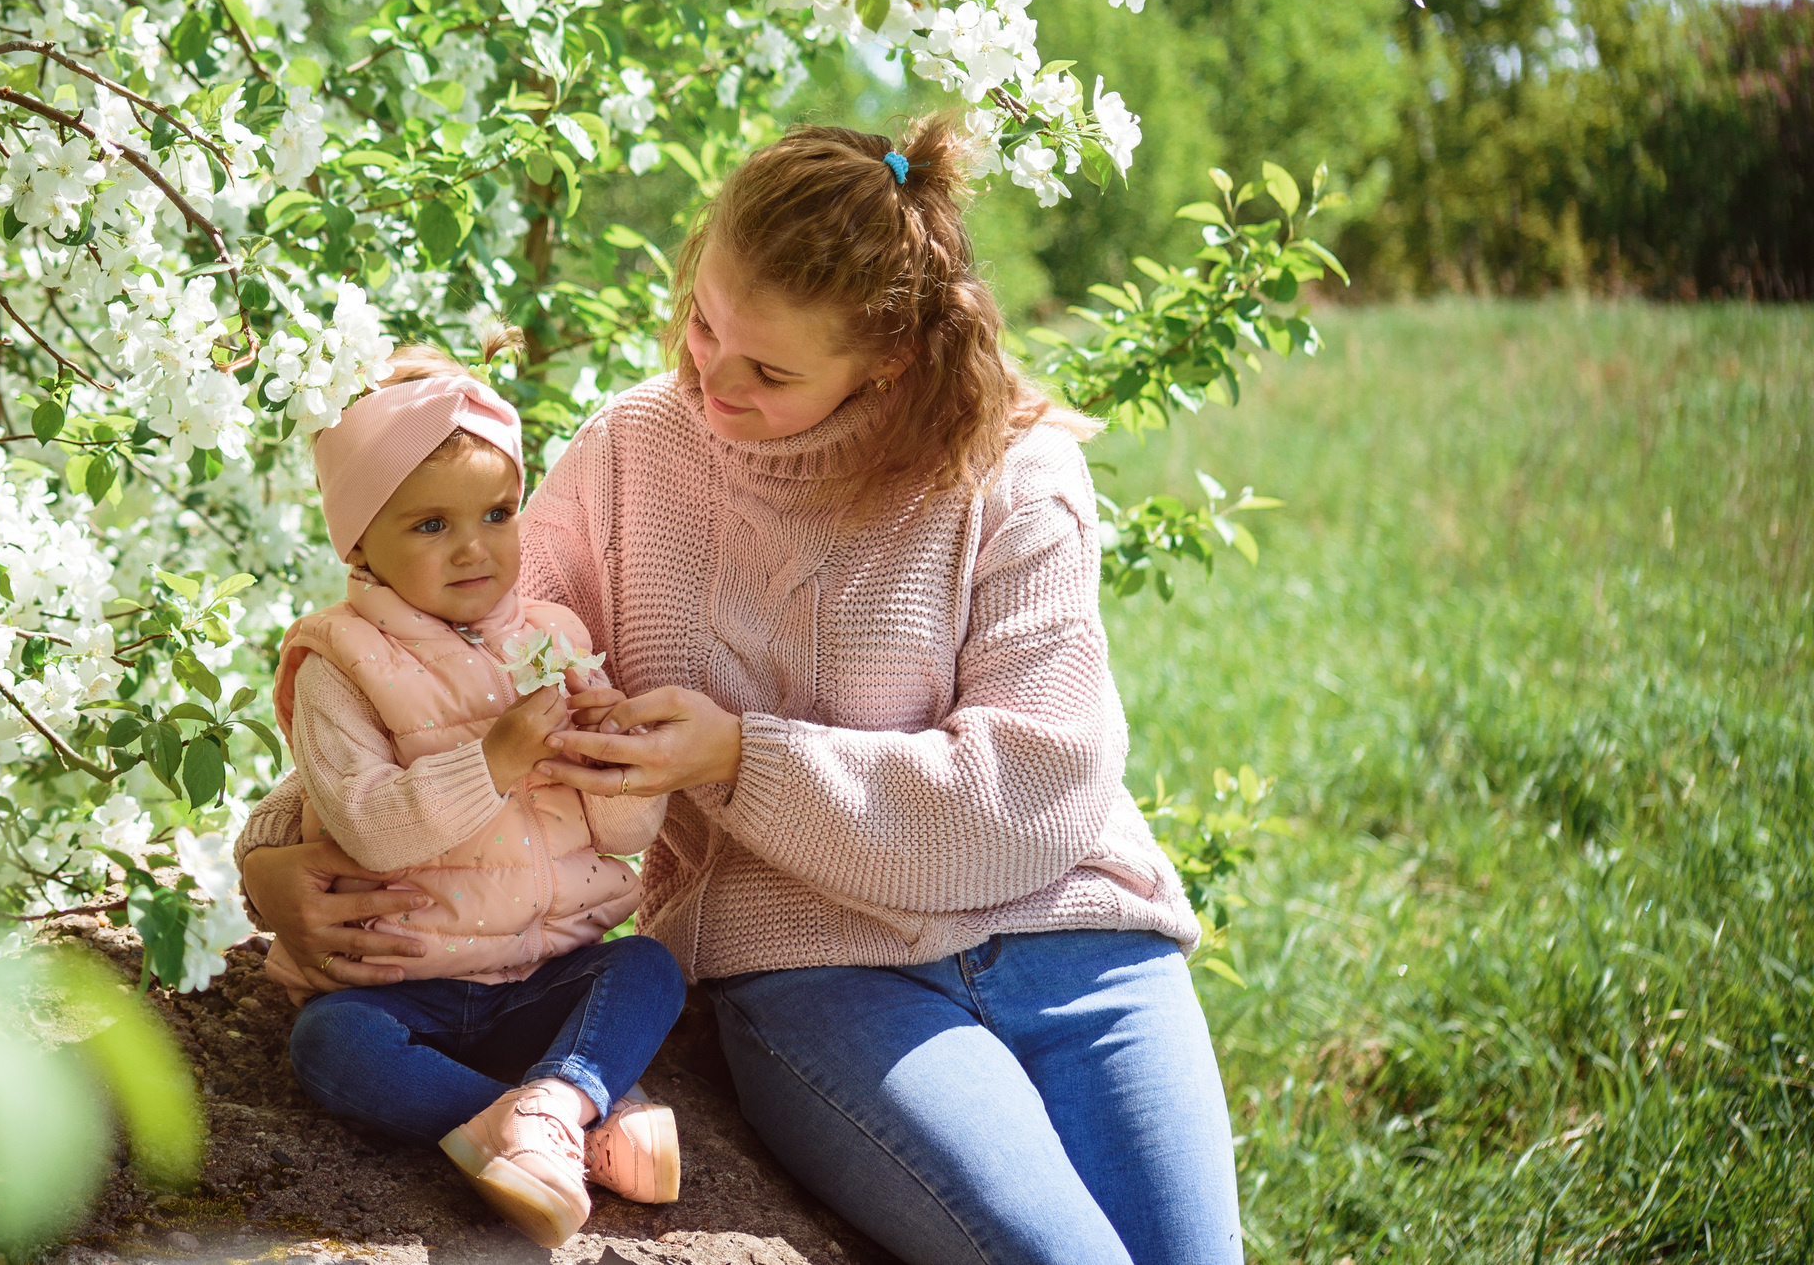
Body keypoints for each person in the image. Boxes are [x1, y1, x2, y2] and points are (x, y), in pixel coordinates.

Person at [235, 119, 1245, 1265]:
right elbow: (449, 668)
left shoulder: (1017, 472)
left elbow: (1032, 786)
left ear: (891, 356)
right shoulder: (630, 455)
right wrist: (273, 848)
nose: (709, 377)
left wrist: (738, 756)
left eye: (767, 369)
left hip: (1079, 938)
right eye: (704, 323)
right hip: (819, 967)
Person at [267, 345, 686, 1248]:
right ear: (359, 542)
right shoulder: (337, 665)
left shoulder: (555, 637)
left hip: (541, 969)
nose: (473, 546)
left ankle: (551, 1101)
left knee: (647, 969)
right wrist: (491, 761)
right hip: (403, 982)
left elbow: (621, 836)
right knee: (330, 1045)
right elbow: (370, 824)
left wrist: (614, 764)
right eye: (428, 525)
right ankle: (563, 1120)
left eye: (498, 513)